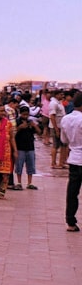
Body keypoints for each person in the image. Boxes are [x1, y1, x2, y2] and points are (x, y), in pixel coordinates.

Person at [60, 93, 82, 232]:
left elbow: (64, 140)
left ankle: (70, 221)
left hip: (74, 158)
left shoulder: (65, 119)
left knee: (72, 192)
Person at [11, 105, 41, 191]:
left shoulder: (30, 122)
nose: (25, 116)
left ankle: (29, 183)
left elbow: (39, 132)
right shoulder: (16, 122)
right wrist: (19, 128)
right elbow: (12, 134)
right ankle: (19, 182)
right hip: (20, 147)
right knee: (19, 165)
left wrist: (34, 126)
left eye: (27, 114)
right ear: (20, 114)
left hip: (30, 147)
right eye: (24, 114)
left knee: (31, 165)